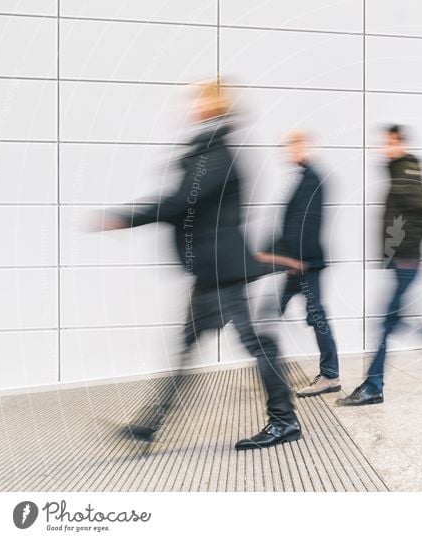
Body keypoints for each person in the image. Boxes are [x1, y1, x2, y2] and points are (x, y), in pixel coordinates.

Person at [98, 81, 302, 450]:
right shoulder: (209, 150)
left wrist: (126, 218)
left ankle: (284, 421)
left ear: (215, 105)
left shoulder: (217, 154)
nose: (190, 105)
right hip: (212, 271)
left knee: (255, 344)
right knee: (190, 345)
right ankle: (150, 423)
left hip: (223, 273)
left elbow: (178, 203)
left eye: (199, 98)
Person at [336, 125, 422, 407]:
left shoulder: (406, 170)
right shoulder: (397, 172)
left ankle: (373, 386)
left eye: (388, 143)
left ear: (400, 144)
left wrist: (406, 248)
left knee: (385, 324)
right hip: (401, 261)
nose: (383, 148)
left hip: (407, 260)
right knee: (398, 321)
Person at [256, 131, 341, 398]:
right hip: (300, 262)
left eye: (292, 147)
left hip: (304, 263)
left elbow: (305, 223)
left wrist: (294, 260)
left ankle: (329, 375)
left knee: (315, 316)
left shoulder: (311, 179)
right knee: (279, 312)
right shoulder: (305, 177)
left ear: (305, 148)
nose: (287, 152)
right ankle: (277, 372)